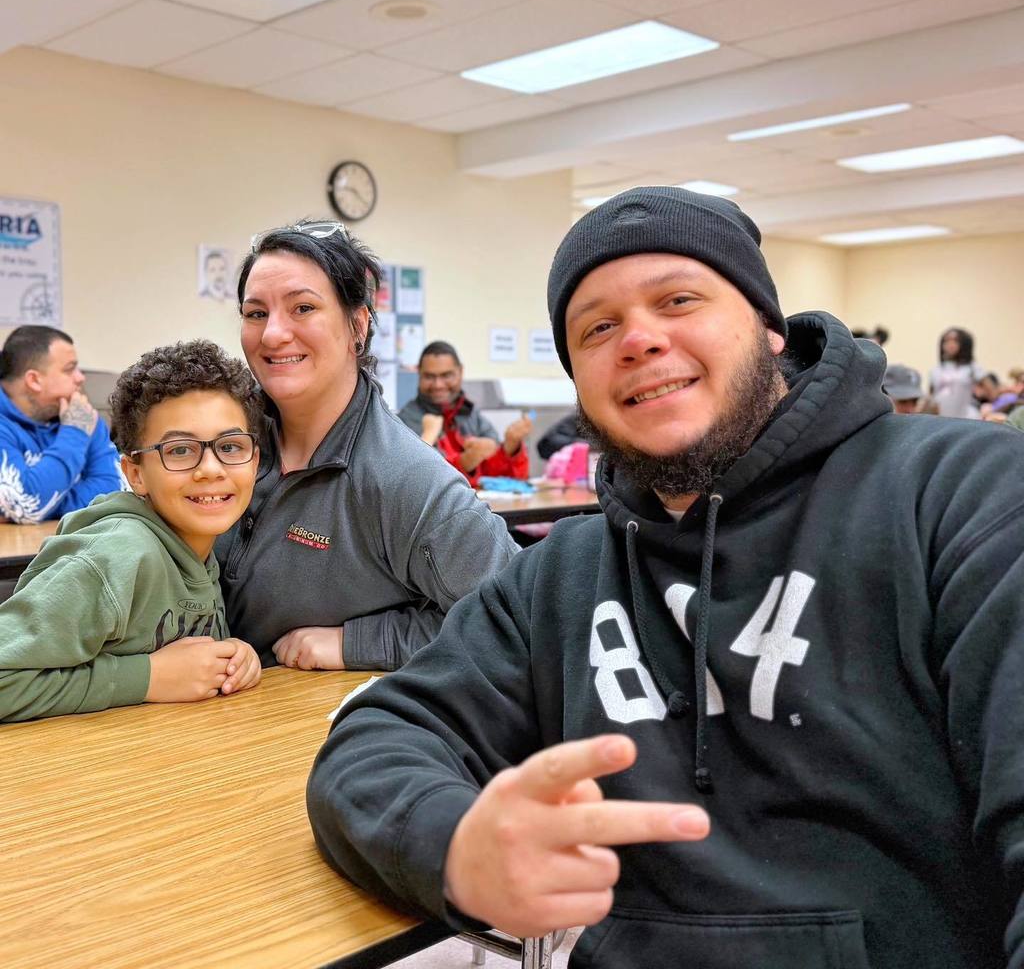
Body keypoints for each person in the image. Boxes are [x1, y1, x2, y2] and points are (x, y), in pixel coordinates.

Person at [307, 187, 1024, 968]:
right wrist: (452, 843)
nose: (639, 340)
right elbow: (379, 738)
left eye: (678, 300)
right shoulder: (557, 579)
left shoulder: (969, 500)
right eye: (598, 328)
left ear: (768, 326)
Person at [217, 222, 518, 672]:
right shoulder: (222, 442)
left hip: (303, 734)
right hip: (183, 719)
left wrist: (357, 643)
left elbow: (513, 619)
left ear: (357, 324)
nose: (273, 334)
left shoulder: (405, 477)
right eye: (256, 313)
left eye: (302, 308)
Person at [0, 340, 262, 722]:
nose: (211, 468)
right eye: (179, 450)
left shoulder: (205, 548)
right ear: (135, 474)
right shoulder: (115, 557)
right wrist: (147, 678)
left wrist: (234, 658)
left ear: (254, 460)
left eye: (231, 446)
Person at [0, 325, 121, 523]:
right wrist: (74, 432)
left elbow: (115, 492)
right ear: (34, 380)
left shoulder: (83, 416)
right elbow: (27, 504)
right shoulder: (79, 423)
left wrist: (50, 503)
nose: (80, 377)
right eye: (70, 369)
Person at [397, 341, 532, 487]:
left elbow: (500, 479)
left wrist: (510, 448)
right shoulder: (405, 421)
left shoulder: (470, 413)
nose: (438, 385)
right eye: (429, 377)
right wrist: (465, 462)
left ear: (460, 372)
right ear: (419, 375)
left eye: (446, 375)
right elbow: (417, 481)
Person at [929, 326, 985, 418]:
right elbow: (931, 396)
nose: (950, 344)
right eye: (947, 341)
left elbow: (992, 393)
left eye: (955, 341)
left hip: (966, 417)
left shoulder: (972, 368)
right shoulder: (936, 370)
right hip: (941, 418)